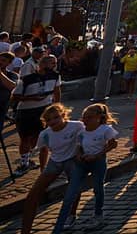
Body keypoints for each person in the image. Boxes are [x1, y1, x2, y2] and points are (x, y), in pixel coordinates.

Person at [54, 103, 118, 233]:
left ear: (99, 118)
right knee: (74, 187)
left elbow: (113, 144)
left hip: (98, 162)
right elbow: (78, 145)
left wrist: (97, 155)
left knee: (98, 188)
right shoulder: (82, 130)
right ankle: (71, 215)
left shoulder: (105, 129)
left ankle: (98, 215)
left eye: (89, 117)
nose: (85, 120)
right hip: (82, 162)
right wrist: (79, 155)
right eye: (84, 117)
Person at [19, 104, 82, 234]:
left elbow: (86, 138)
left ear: (63, 115)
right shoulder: (45, 134)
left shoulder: (77, 126)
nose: (52, 121)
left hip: (72, 160)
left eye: (56, 117)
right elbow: (44, 151)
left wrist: (82, 154)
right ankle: (25, 230)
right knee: (33, 195)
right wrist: (43, 171)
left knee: (74, 187)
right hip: (55, 161)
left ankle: (71, 215)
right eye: (48, 120)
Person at [13, 54, 61, 176]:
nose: (54, 65)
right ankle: (24, 163)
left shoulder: (55, 76)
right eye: (52, 63)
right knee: (26, 138)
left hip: (44, 111)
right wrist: (32, 98)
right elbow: (15, 96)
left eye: (55, 63)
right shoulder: (27, 79)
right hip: (26, 111)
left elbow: (57, 91)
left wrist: (57, 106)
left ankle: (43, 169)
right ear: (42, 64)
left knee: (43, 140)